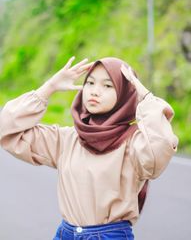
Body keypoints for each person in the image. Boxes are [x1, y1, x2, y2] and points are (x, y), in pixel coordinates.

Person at [0, 56, 178, 240]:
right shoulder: (68, 139)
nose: (95, 91)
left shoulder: (134, 143)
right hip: (66, 234)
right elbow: (8, 129)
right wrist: (50, 87)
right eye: (90, 83)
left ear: (126, 92)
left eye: (108, 86)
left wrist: (146, 98)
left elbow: (161, 146)